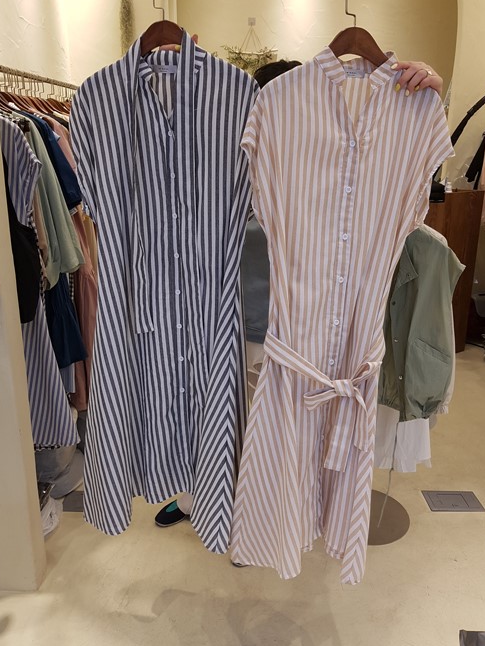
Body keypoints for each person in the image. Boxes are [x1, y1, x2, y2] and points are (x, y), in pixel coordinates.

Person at [154, 57, 444, 528]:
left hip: (298, 328)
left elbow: (389, 196)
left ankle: (260, 518)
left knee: (276, 426)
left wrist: (422, 98)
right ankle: (203, 499)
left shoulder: (312, 163)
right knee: (221, 415)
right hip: (230, 317)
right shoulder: (230, 158)